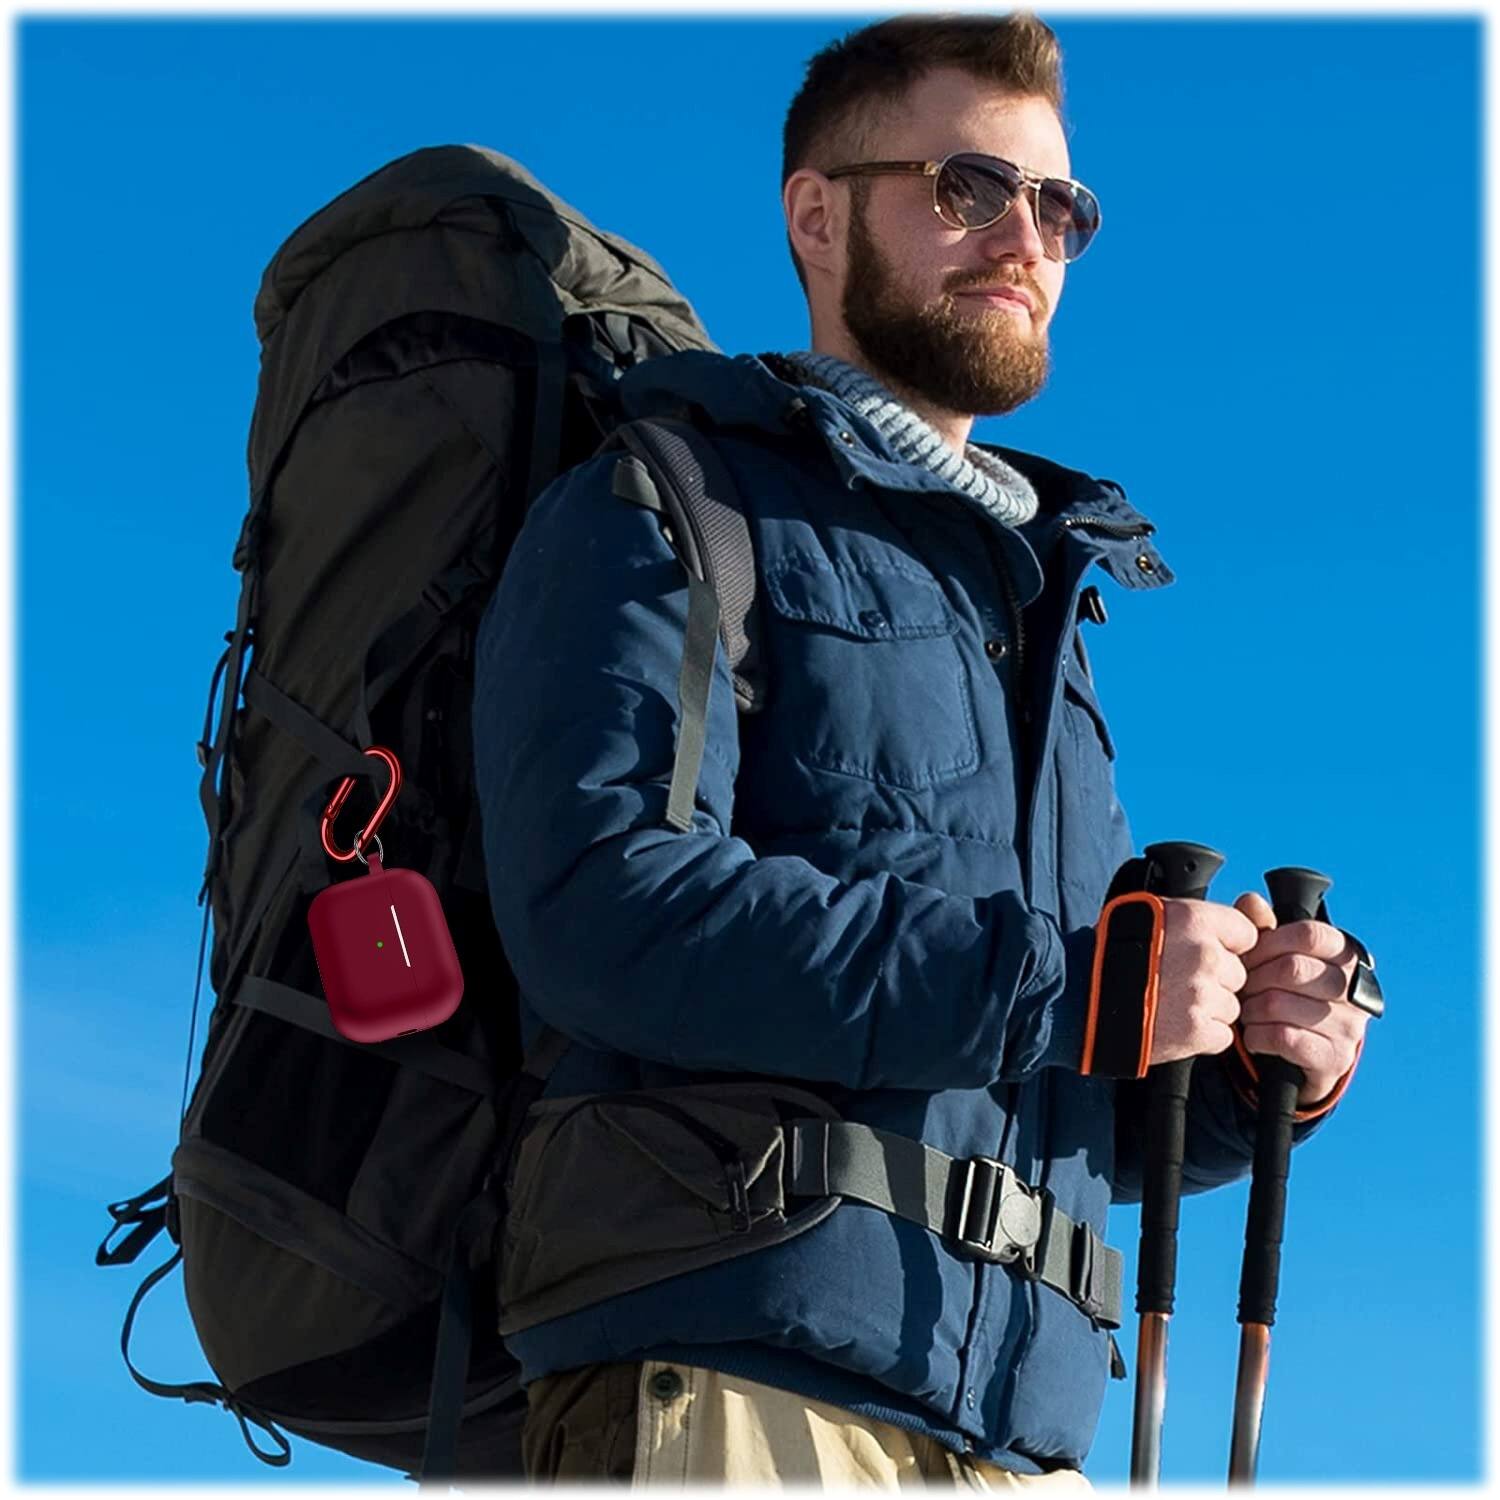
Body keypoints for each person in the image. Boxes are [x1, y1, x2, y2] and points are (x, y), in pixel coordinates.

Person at [471, 11, 1373, 1488]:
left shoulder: (1041, 611)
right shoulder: (673, 504)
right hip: (741, 1378)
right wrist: (1071, 988)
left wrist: (1243, 1063)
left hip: (1022, 1433)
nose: (1025, 237)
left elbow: (1057, 1091)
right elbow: (606, 907)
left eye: (1059, 207)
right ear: (818, 217)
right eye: (970, 187)